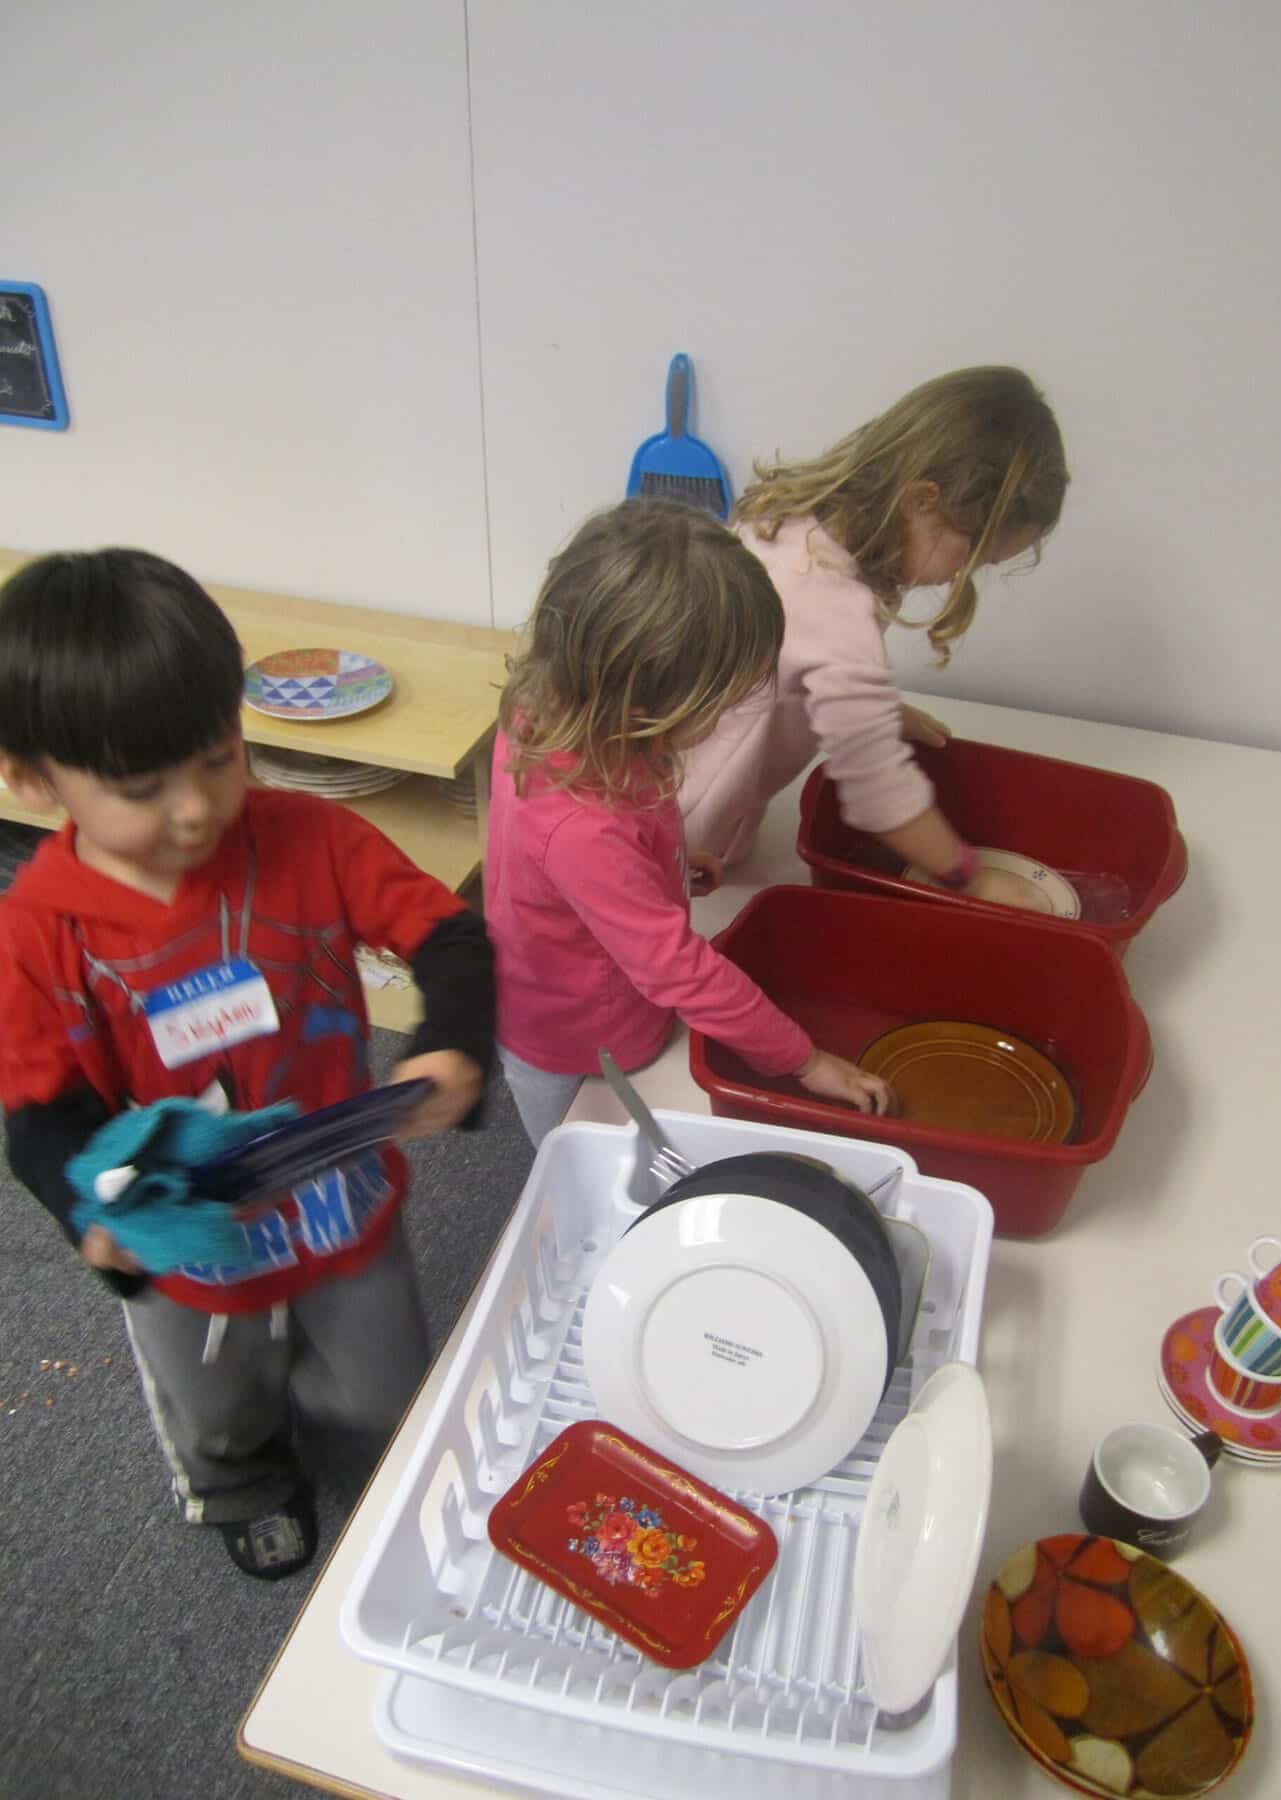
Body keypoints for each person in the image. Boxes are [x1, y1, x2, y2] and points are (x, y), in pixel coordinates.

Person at [0, 549, 495, 1580]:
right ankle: (244, 1484)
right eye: (143, 788)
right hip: (183, 1225)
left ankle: (368, 1468)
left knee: (381, 1382)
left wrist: (450, 1041)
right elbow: (39, 1110)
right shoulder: (38, 932)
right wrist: (91, 1215)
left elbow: (449, 935)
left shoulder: (308, 836)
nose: (195, 809)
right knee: (217, 1399)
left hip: (337, 1190)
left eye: (219, 756)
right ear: (32, 778)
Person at [485, 499, 894, 1147]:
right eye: (721, 702)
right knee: (583, 1159)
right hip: (579, 1041)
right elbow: (675, 967)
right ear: (643, 701)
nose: (731, 715)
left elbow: (615, 842)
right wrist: (803, 1059)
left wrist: (667, 862)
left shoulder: (558, 706)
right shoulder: (583, 826)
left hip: (587, 986)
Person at [679, 366, 1069, 907]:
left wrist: (873, 709)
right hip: (688, 835)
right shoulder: (835, 613)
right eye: (968, 559)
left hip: (654, 773)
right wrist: (973, 878)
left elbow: (787, 665)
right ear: (923, 501)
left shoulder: (793, 521)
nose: (959, 579)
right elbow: (880, 794)